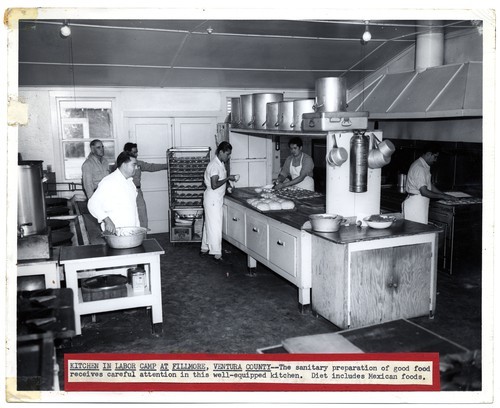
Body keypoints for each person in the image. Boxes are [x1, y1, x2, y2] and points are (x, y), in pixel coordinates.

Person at [200, 141, 236, 263]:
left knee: (209, 224)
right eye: (227, 154)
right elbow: (214, 184)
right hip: (213, 199)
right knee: (215, 225)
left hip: (215, 198)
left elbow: (219, 182)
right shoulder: (214, 165)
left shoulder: (220, 163)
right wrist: (228, 179)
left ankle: (205, 247)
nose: (228, 156)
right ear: (220, 152)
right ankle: (216, 252)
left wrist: (227, 186)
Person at [402, 144, 458, 224]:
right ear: (428, 154)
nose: (435, 160)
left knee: (420, 231)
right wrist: (443, 196)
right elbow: (424, 192)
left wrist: (444, 194)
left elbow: (429, 185)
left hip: (419, 203)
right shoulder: (420, 168)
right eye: (435, 157)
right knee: (417, 231)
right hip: (416, 205)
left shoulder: (423, 165)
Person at [87, 151, 139, 234]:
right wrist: (107, 220)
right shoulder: (109, 181)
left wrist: (137, 230)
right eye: (134, 164)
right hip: (115, 233)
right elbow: (92, 204)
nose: (136, 168)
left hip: (130, 233)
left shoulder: (130, 183)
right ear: (124, 165)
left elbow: (134, 210)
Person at [123, 142, 168, 228]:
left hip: (137, 192)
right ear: (127, 152)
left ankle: (143, 237)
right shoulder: (120, 164)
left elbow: (151, 167)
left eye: (137, 152)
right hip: (125, 193)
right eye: (134, 152)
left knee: (142, 215)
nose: (136, 154)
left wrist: (168, 165)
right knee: (128, 216)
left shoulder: (138, 163)